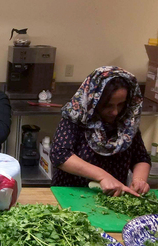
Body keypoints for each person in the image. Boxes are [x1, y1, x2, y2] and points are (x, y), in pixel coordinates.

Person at [50, 66, 151, 197]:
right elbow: (60, 154)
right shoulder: (77, 116)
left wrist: (139, 180)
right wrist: (103, 176)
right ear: (94, 101)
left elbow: (141, 157)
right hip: (71, 194)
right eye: (108, 105)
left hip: (113, 197)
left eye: (120, 104)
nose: (115, 112)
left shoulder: (127, 123)